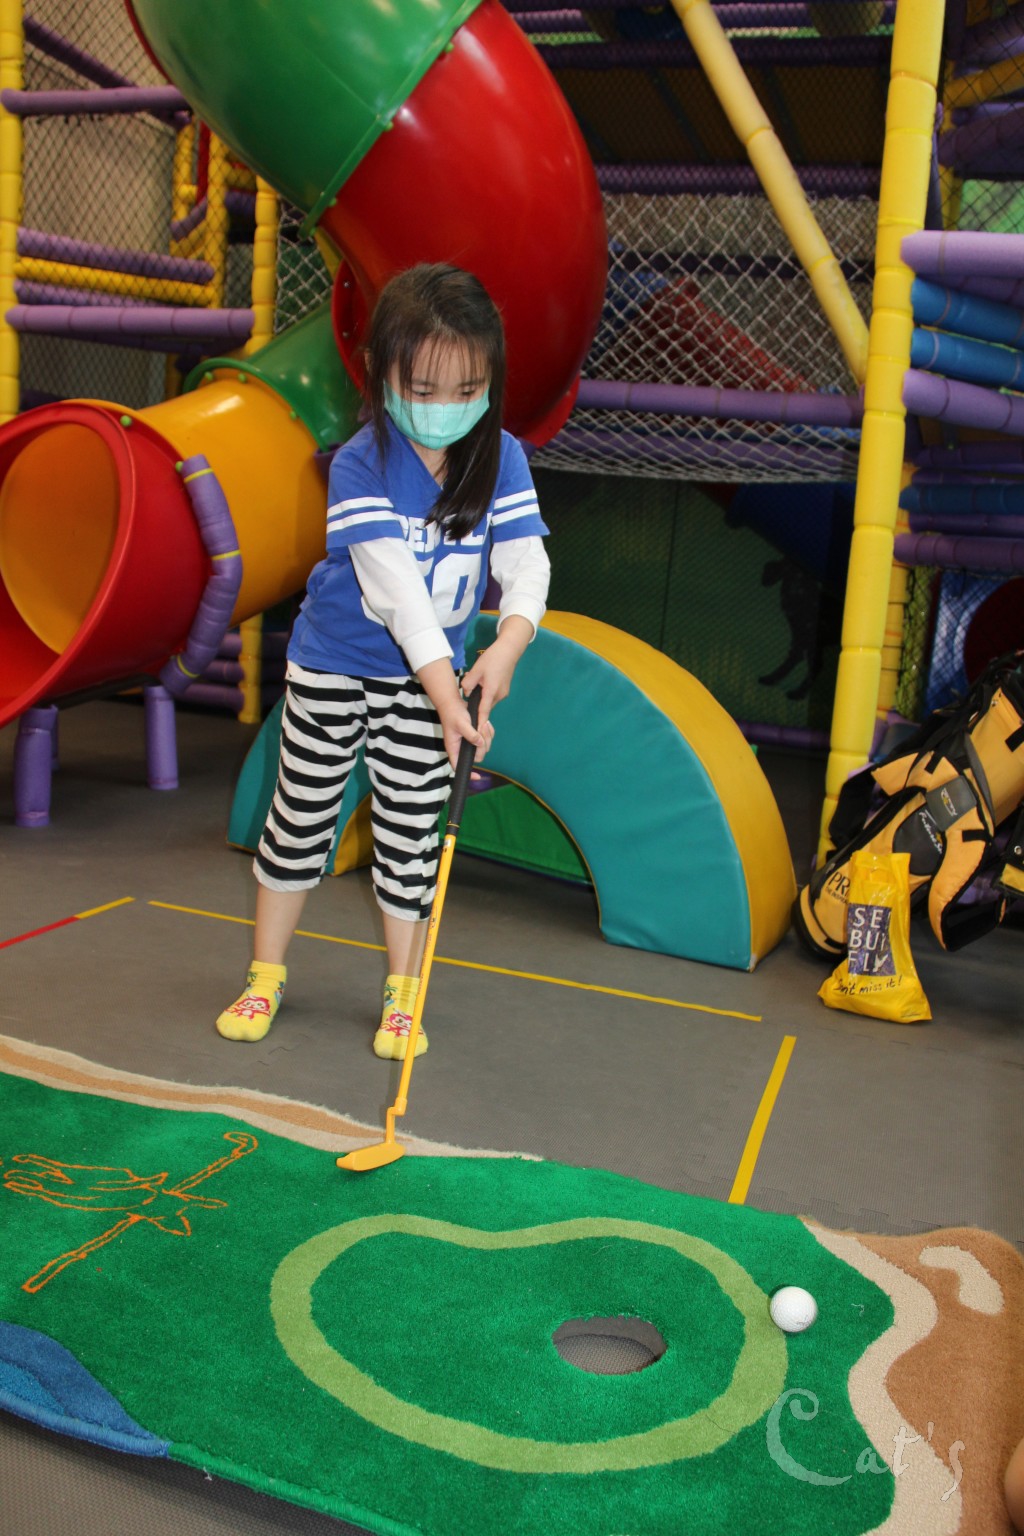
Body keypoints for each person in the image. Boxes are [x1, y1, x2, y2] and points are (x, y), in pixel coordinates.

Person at [216, 263, 550, 1058]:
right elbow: (398, 594)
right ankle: (265, 975)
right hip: (335, 668)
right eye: (422, 389)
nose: (443, 408)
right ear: (380, 372)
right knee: (300, 822)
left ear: (492, 381)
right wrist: (448, 697)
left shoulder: (500, 459)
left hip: (428, 685)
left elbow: (526, 563)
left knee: (411, 838)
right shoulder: (358, 464)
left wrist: (507, 644)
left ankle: (404, 997)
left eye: (467, 389)